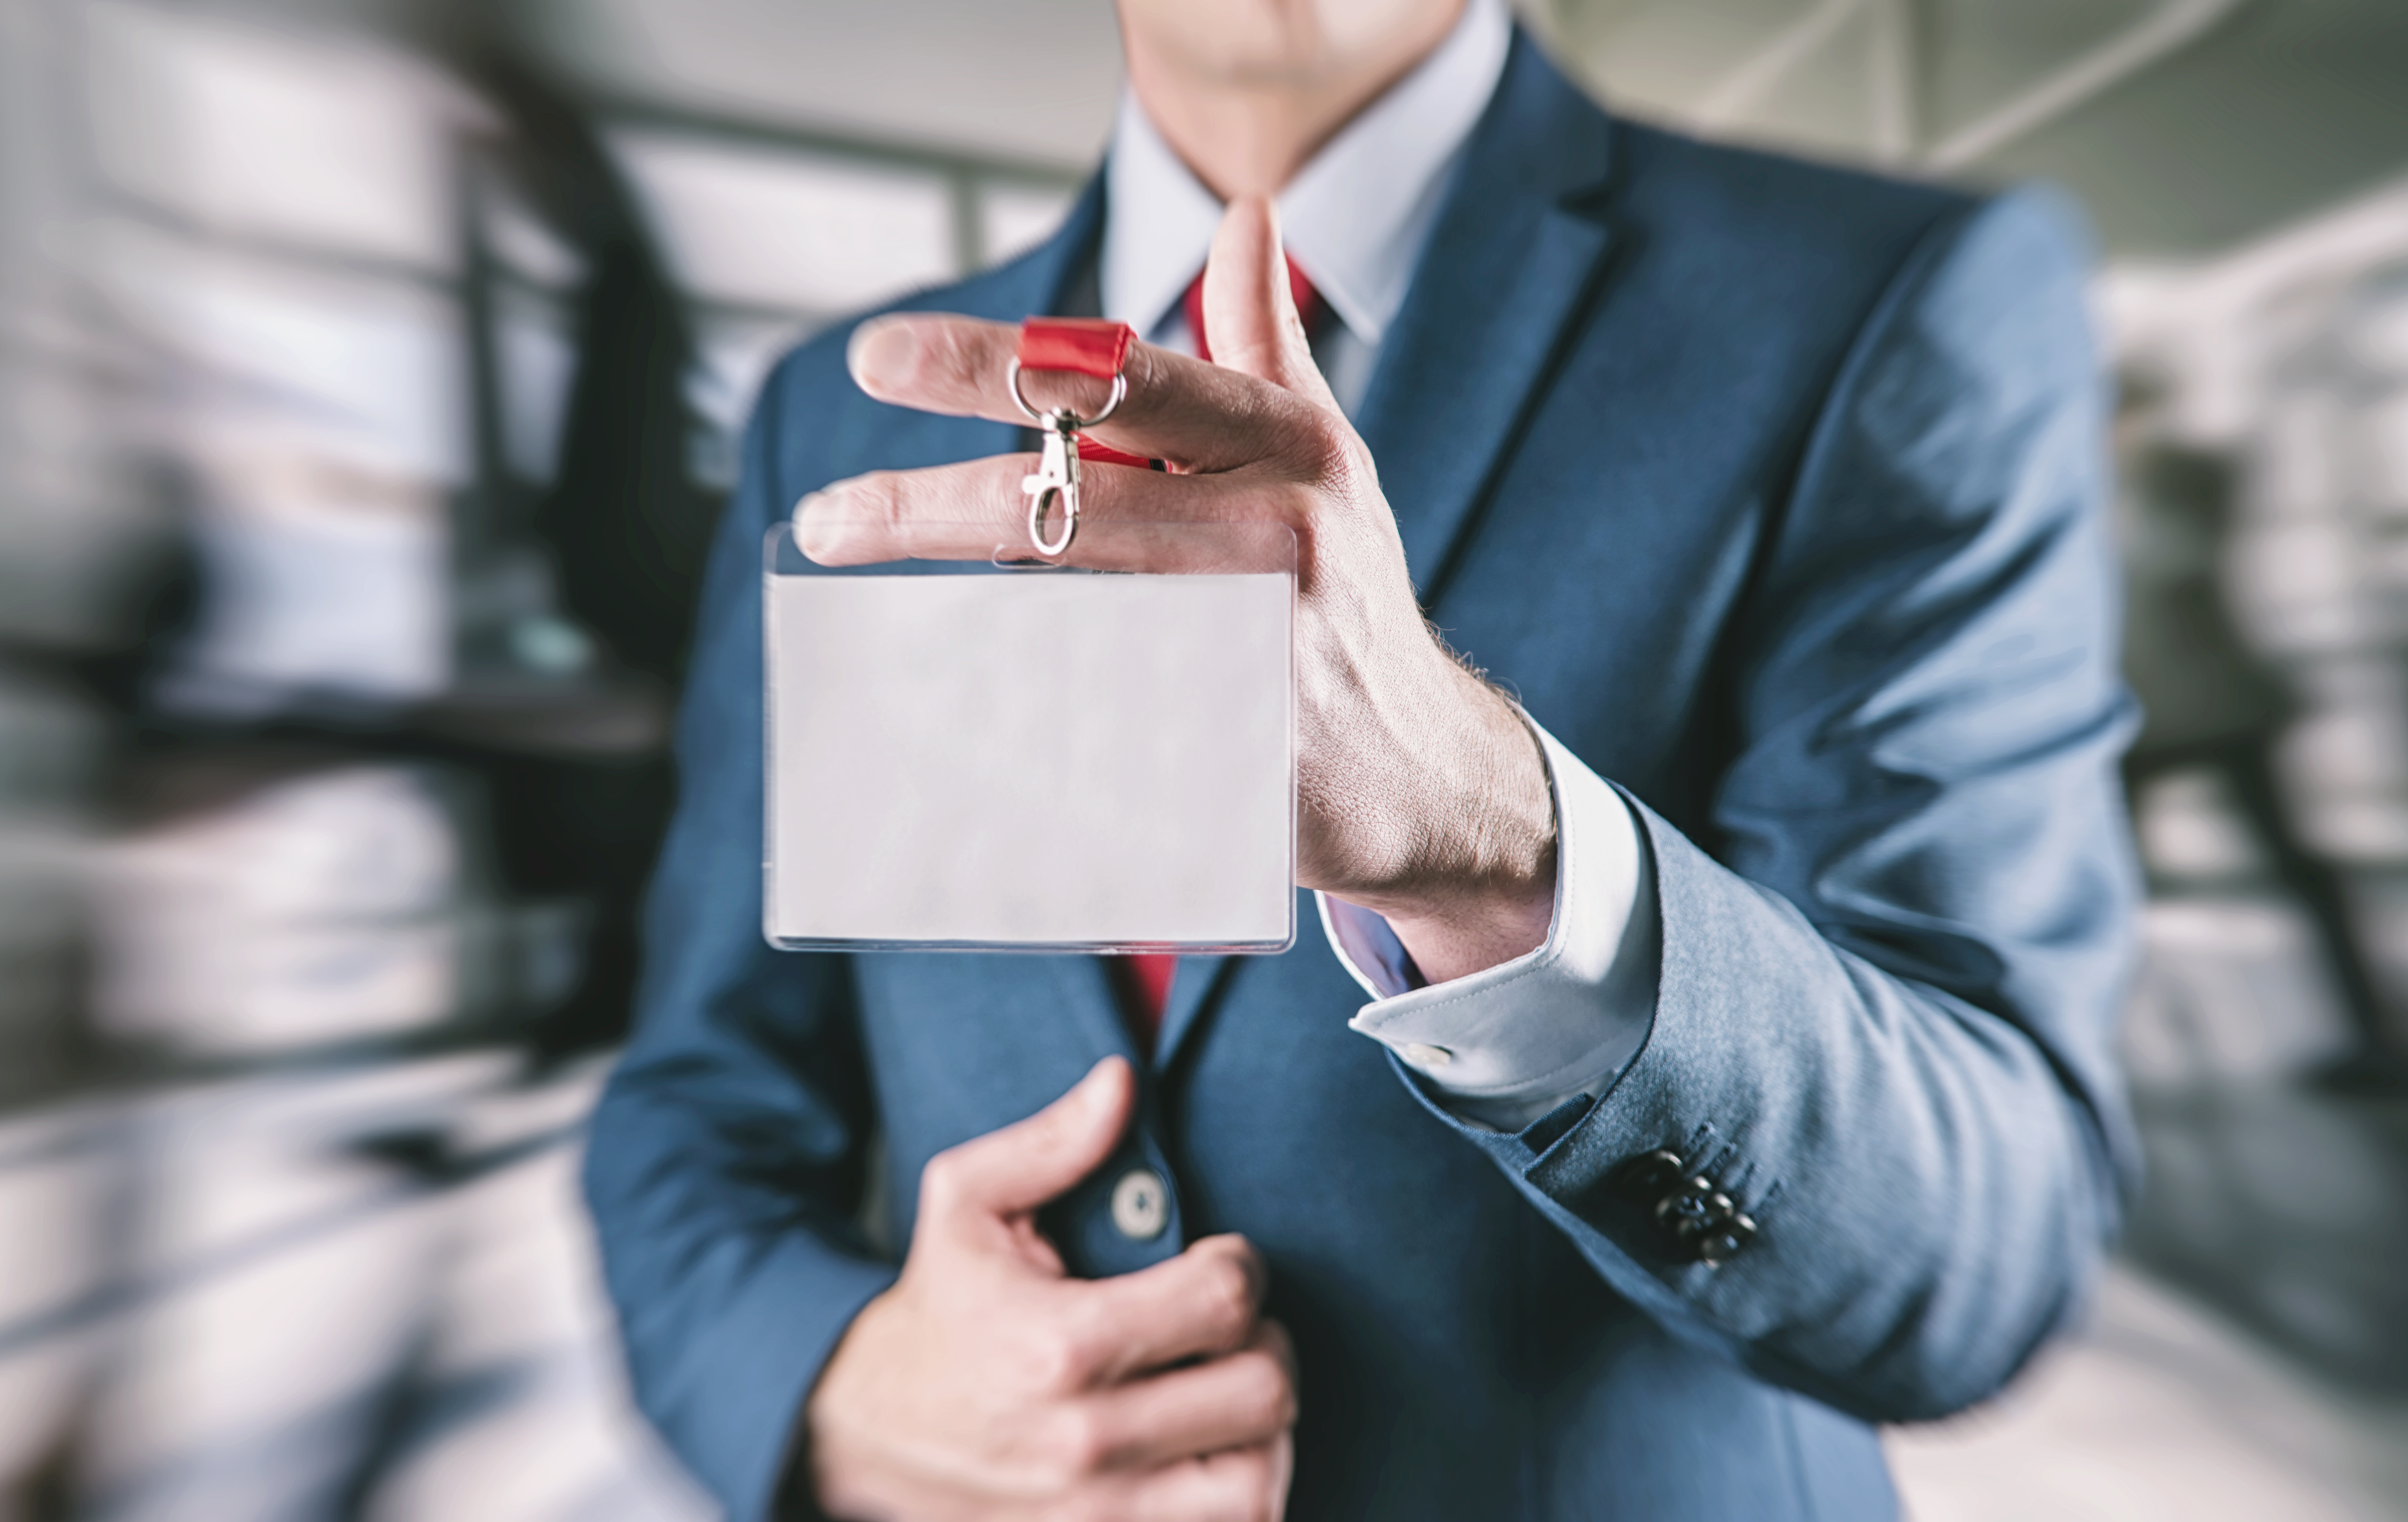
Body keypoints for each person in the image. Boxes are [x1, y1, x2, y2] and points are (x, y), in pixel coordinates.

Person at [585, 0, 2141, 1516]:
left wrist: (1505, 852)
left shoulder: (1883, 305)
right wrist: (842, 1392)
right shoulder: (840, 424)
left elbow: (1980, 1254)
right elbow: (695, 1100)